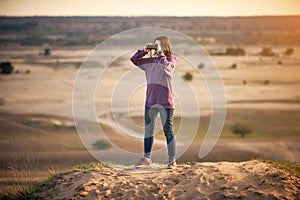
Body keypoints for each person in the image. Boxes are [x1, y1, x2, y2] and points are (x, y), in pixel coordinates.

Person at [130, 36, 177, 169]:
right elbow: (134, 60)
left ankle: (172, 160)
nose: (155, 49)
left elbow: (167, 68)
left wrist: (161, 53)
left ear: (164, 47)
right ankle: (146, 158)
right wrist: (144, 51)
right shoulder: (150, 62)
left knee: (168, 130)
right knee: (148, 131)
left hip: (166, 102)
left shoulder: (171, 60)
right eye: (154, 46)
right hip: (150, 101)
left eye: (158, 46)